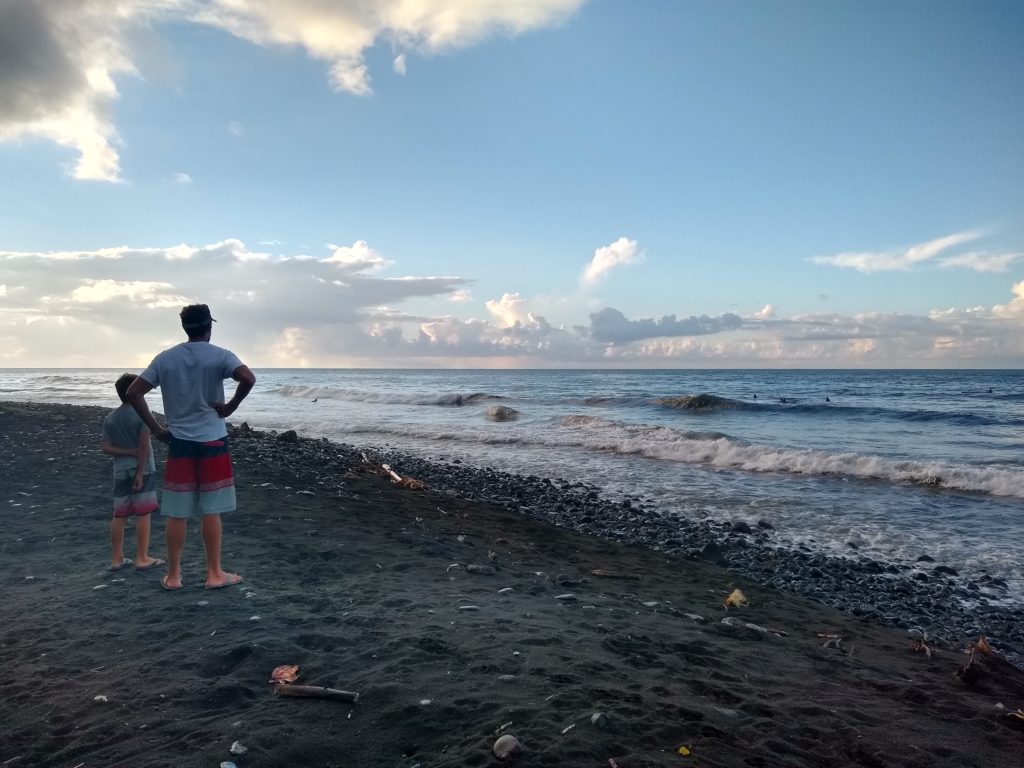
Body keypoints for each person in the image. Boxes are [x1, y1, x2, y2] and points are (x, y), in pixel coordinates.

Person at [126, 304, 256, 591]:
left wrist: (157, 429)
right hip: (213, 441)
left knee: (178, 511)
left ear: (185, 327)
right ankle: (214, 574)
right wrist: (231, 407)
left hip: (180, 442)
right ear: (209, 327)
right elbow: (248, 378)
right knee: (212, 510)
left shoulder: (166, 358)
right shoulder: (221, 355)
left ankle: (173, 576)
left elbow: (133, 392)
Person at [101, 373, 163, 572]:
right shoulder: (142, 414)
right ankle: (142, 557)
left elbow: (106, 447)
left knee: (120, 514)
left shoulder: (111, 418)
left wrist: (126, 452)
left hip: (120, 470)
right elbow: (144, 447)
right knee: (143, 513)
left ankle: (116, 559)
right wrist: (138, 473)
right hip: (142, 470)